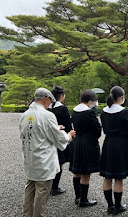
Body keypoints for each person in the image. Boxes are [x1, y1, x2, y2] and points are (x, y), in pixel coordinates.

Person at [19, 87, 75, 217]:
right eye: (50, 101)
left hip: (29, 158)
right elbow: (59, 139)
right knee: (42, 192)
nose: (50, 104)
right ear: (46, 98)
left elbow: (33, 132)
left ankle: (26, 214)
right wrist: (69, 135)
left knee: (30, 188)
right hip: (43, 160)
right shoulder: (47, 115)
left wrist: (56, 128)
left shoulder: (25, 114)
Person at [100, 86, 128, 215]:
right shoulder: (124, 112)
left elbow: (104, 129)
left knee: (107, 176)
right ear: (121, 97)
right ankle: (118, 206)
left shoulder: (103, 112)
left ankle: (110, 206)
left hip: (108, 143)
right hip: (121, 145)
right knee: (118, 177)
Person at [70, 89, 101, 207]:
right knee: (86, 172)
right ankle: (84, 199)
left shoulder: (75, 110)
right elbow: (97, 128)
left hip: (77, 141)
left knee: (77, 170)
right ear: (90, 101)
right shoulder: (89, 112)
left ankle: (77, 196)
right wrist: (96, 137)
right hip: (88, 142)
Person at [49, 86, 73, 196]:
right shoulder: (62, 108)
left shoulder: (48, 108)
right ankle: (54, 186)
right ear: (62, 95)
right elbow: (68, 124)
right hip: (60, 137)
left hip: (48, 138)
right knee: (59, 162)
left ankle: (48, 185)